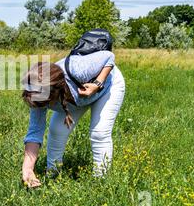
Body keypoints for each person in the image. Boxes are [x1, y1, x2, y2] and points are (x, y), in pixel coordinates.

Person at [21, 50, 125, 188]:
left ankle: (101, 183)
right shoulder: (37, 91)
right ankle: (53, 175)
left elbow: (109, 56)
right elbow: (35, 131)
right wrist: (27, 169)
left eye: (45, 103)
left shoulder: (78, 69)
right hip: (78, 97)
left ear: (56, 92)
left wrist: (98, 84)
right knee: (57, 130)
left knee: (99, 132)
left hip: (107, 88)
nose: (42, 107)